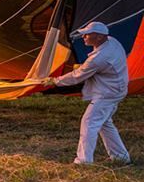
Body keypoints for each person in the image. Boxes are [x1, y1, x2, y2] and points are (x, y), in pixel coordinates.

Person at [44, 21, 132, 165]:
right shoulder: (112, 42)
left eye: (87, 34)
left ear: (98, 37)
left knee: (89, 122)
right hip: (116, 89)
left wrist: (55, 81)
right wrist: (86, 67)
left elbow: (77, 76)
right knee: (104, 123)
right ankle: (121, 157)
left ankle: (83, 161)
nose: (83, 37)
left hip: (108, 94)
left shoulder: (99, 58)